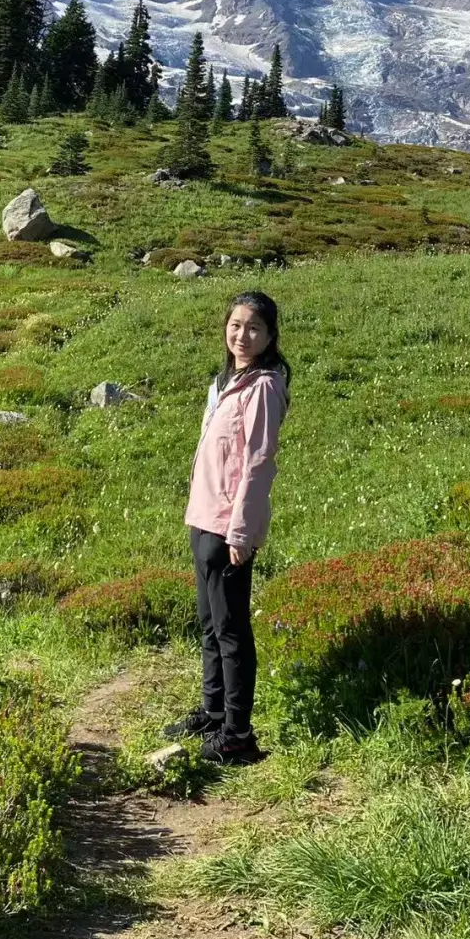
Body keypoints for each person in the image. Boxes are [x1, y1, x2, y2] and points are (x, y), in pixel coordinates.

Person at [164, 291, 292, 765]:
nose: (243, 335)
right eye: (236, 325)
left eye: (254, 328)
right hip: (204, 516)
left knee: (232, 630)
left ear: (270, 336)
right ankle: (214, 711)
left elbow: (257, 464)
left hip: (227, 527)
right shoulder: (228, 380)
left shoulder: (262, 386)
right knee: (210, 625)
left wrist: (240, 531)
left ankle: (238, 735)